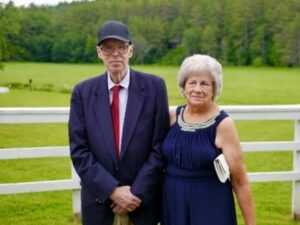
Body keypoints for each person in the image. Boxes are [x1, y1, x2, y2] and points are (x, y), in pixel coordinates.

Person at [68, 20, 169, 225]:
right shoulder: (83, 92)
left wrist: (135, 193)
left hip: (142, 205)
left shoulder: (155, 87)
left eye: (121, 47)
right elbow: (79, 150)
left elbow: (160, 147)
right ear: (99, 52)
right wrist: (112, 190)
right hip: (100, 204)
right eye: (108, 48)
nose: (115, 54)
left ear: (130, 50)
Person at [161, 54, 256, 225]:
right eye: (192, 83)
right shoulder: (172, 117)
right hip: (173, 201)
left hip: (210, 203)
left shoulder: (223, 124)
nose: (197, 89)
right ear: (184, 86)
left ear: (214, 88)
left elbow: (240, 181)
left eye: (204, 83)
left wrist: (251, 224)